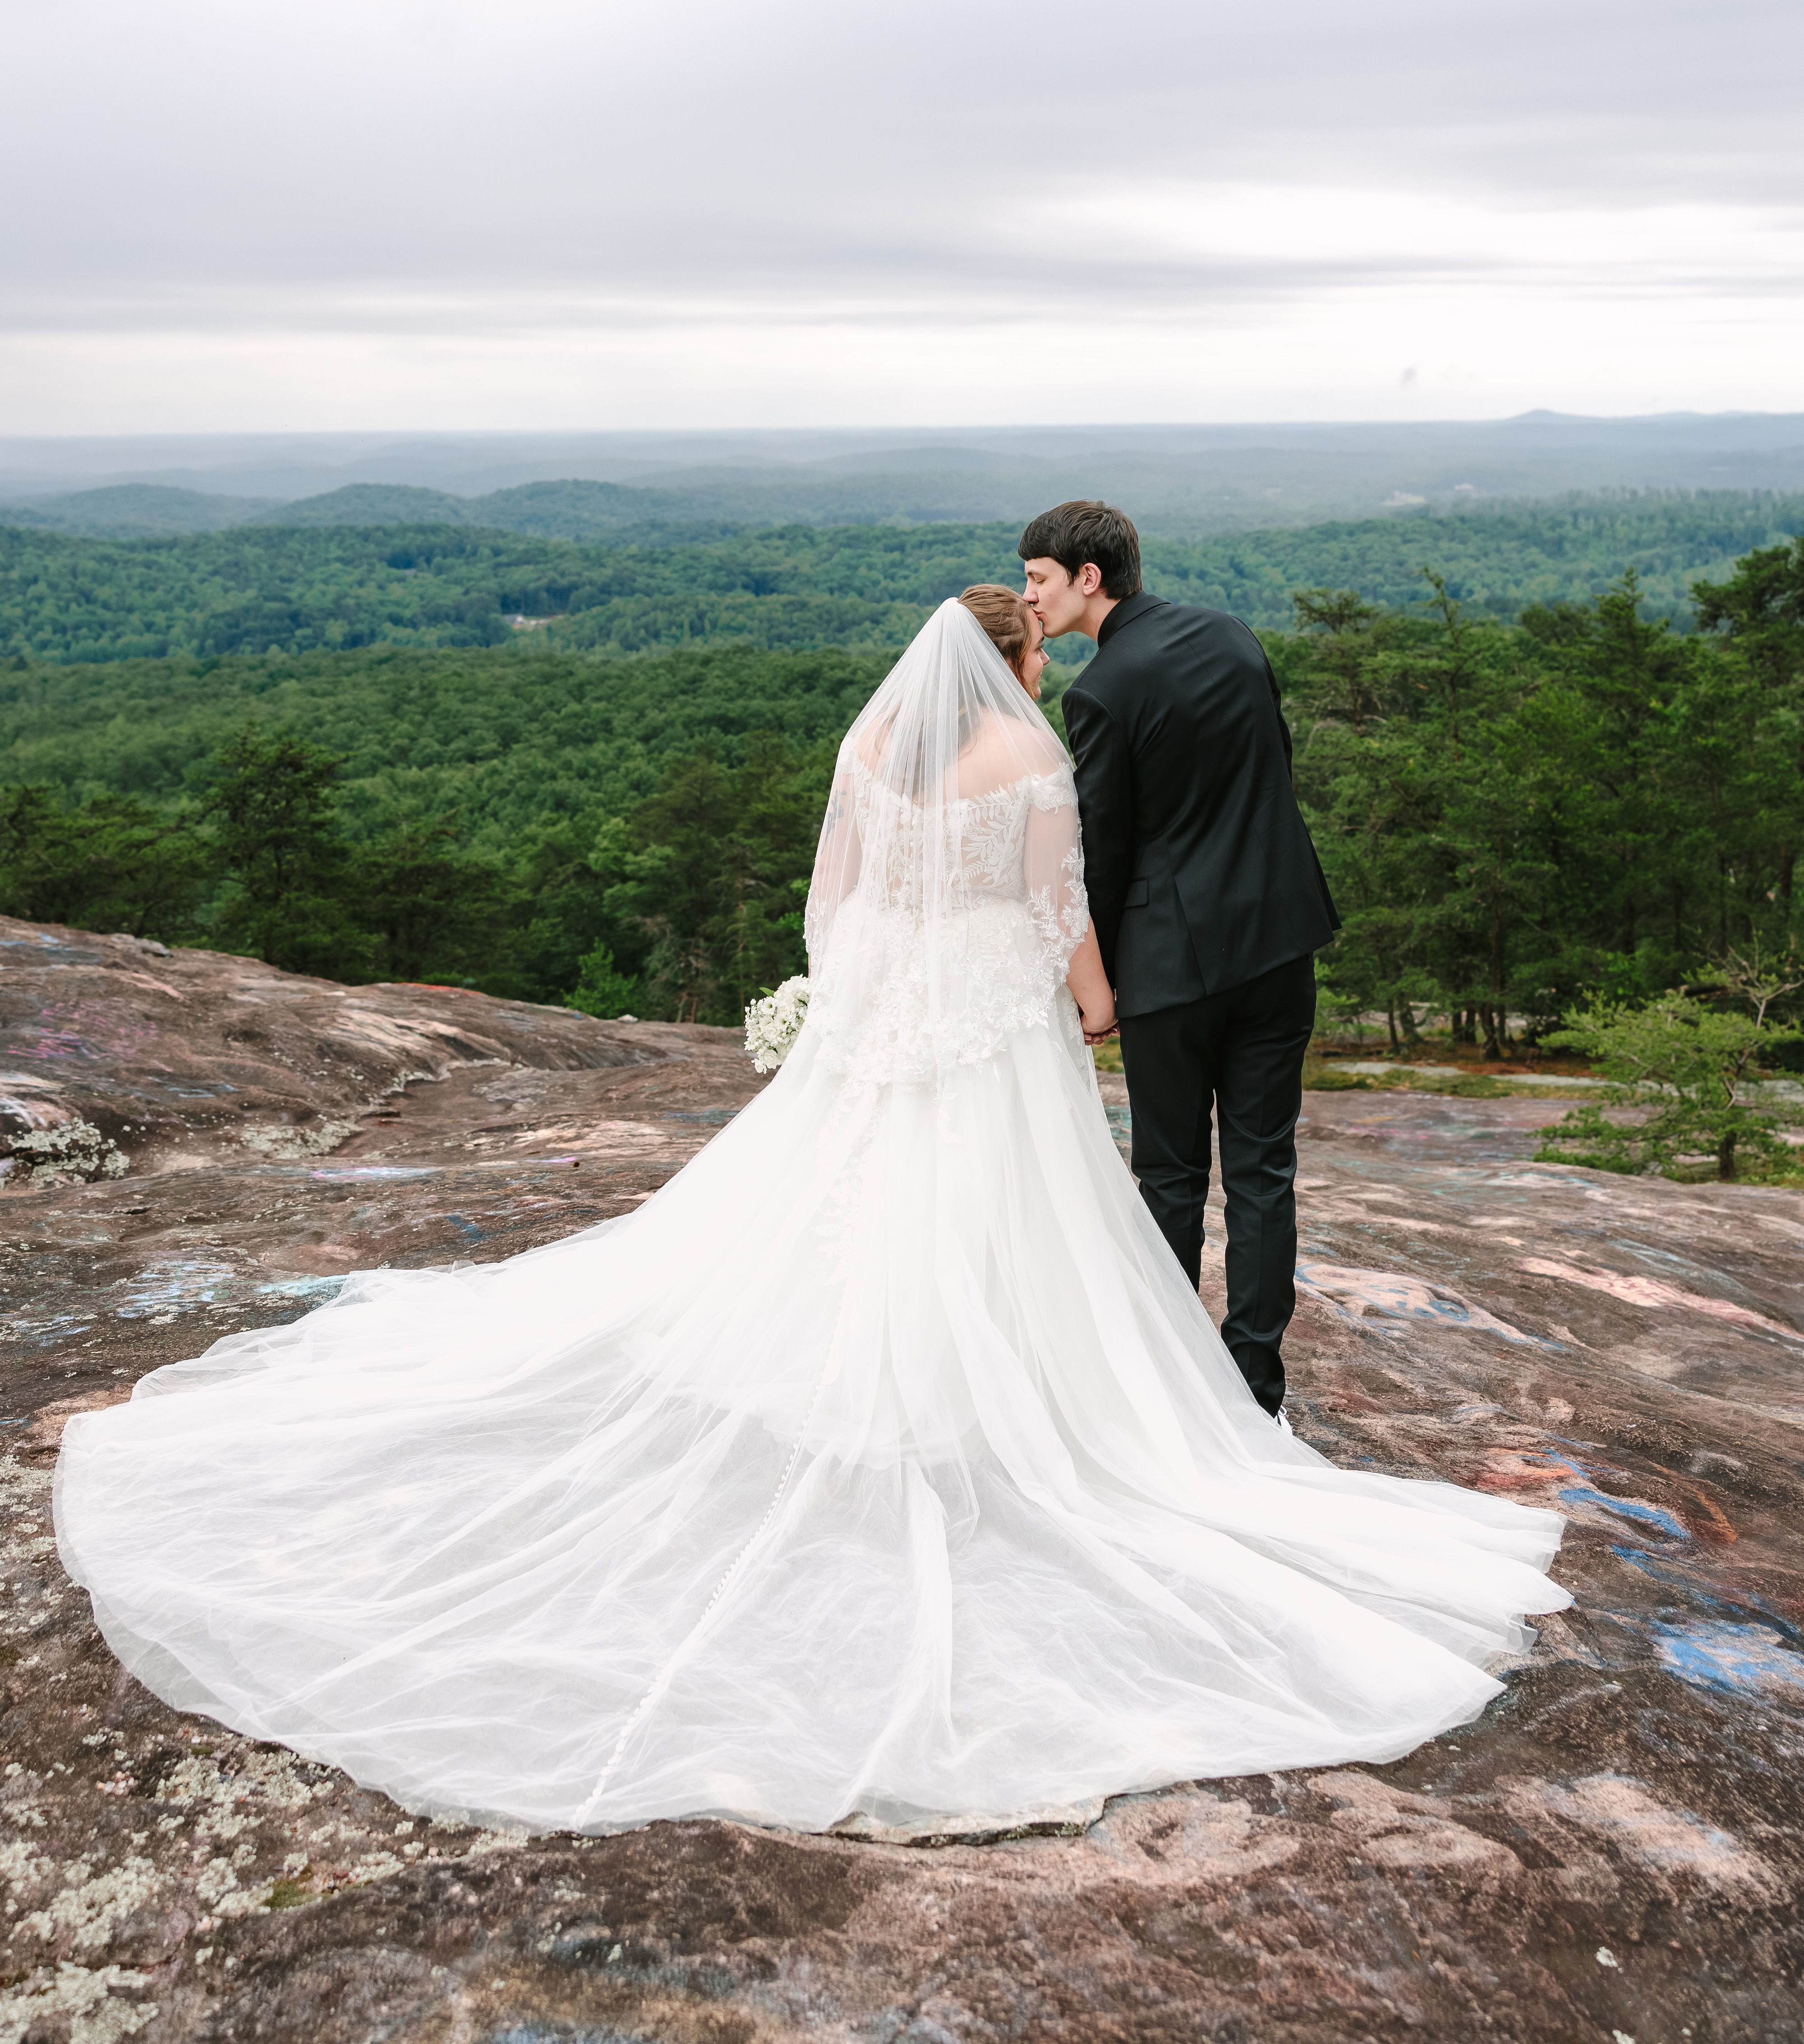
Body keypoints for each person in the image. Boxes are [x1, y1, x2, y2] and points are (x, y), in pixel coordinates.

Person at [56, 598, 1565, 1841]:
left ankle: (853, 1396)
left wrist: (846, 1001)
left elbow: (829, 902)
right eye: (1032, 648)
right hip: (985, 1023)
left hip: (885, 1009)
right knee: (1007, 1210)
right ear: (1016, 667)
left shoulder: (864, 745)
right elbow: (1056, 917)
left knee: (845, 1201)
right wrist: (1096, 1009)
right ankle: (986, 1413)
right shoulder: (1029, 753)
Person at [1021, 501, 1336, 1422]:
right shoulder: (1231, 636)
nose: (1030, 597)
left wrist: (1099, 984)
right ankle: (1253, 1389)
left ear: (1088, 577)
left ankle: (1168, 1391)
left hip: (1171, 966)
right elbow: (1269, 771)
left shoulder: (1100, 692)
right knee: (1262, 1172)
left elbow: (1102, 852)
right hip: (1279, 940)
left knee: (1167, 1177)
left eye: (1039, 578)